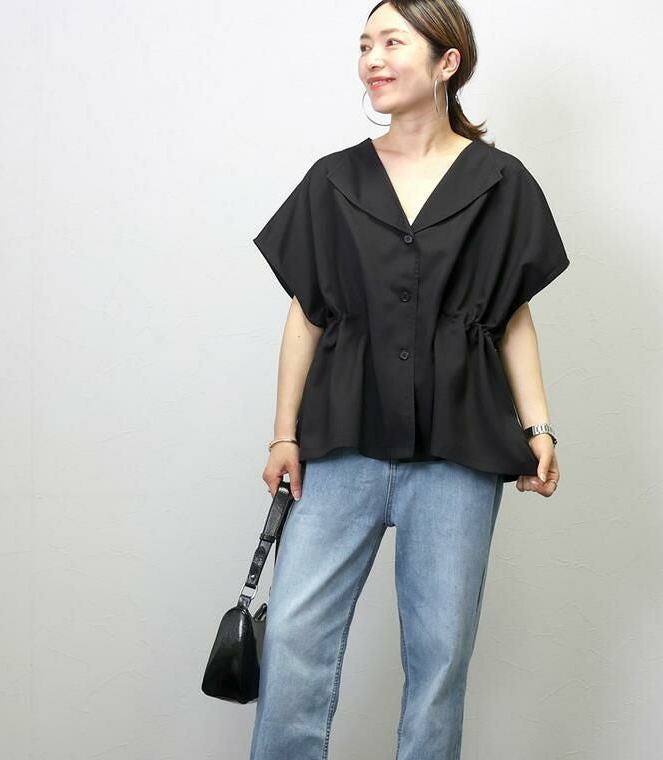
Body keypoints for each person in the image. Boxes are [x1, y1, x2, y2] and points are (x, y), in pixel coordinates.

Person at [248, 1, 570, 758]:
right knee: (293, 637)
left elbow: (510, 317)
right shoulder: (334, 179)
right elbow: (307, 315)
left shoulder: (502, 182)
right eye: (365, 44)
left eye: (393, 42)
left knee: (439, 659)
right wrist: (283, 435)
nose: (373, 59)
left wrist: (539, 426)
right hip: (341, 440)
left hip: (459, 447)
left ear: (446, 61)